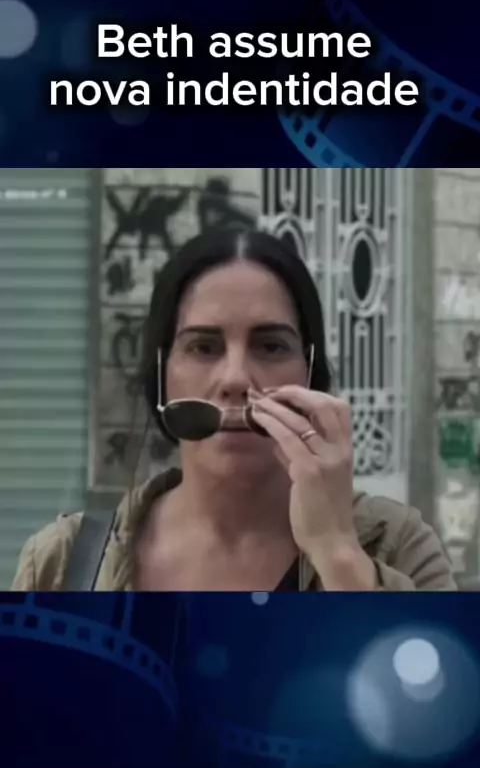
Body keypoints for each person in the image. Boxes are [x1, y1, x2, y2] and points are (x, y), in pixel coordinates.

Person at [12, 228, 456, 592]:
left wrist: (337, 551)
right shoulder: (61, 562)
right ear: (163, 372)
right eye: (203, 347)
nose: (236, 378)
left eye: (270, 346)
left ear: (310, 373)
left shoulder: (399, 546)